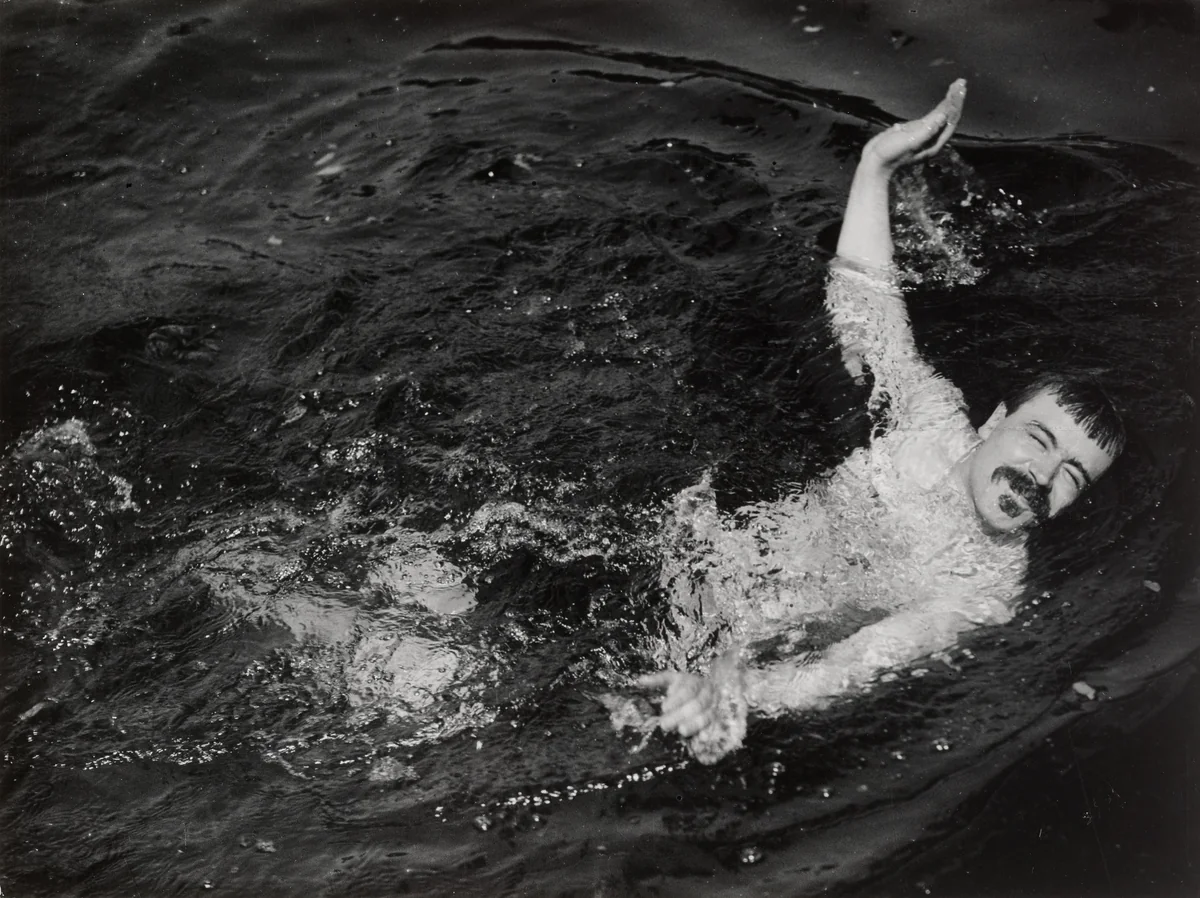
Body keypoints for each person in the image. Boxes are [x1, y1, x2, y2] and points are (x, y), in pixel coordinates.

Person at [634, 80, 1126, 763]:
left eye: (1073, 475)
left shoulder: (983, 592)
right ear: (991, 422)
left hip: (731, 654)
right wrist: (875, 166)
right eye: (1040, 440)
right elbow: (869, 311)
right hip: (690, 559)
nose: (1042, 475)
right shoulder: (932, 422)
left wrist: (736, 691)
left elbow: (853, 665)